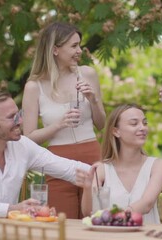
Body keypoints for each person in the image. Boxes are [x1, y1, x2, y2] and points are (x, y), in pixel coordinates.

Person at [0, 91, 91, 217]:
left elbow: (70, 169)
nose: (20, 121)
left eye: (19, 114)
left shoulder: (22, 146)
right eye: (12, 117)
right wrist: (12, 209)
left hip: (9, 234)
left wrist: (106, 171)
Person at [22, 21, 106, 219]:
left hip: (92, 154)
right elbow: (30, 138)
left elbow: (102, 124)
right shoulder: (34, 87)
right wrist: (58, 125)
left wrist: (93, 100)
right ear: (55, 50)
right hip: (57, 161)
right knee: (62, 221)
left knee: (96, 219)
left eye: (79, 45)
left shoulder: (88, 74)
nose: (79, 51)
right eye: (74, 46)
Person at [75, 104, 162, 224]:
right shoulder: (102, 169)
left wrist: (113, 217)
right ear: (116, 131)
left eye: (144, 123)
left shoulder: (158, 165)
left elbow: (147, 204)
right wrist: (87, 189)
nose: (143, 128)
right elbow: (89, 213)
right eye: (134, 123)